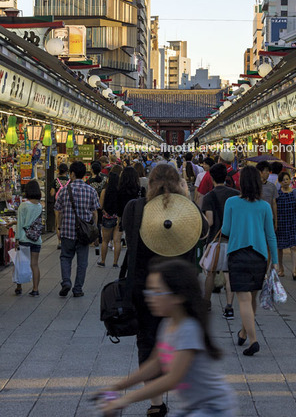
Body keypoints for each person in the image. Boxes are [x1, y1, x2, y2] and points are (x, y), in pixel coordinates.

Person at [121, 165, 209, 417]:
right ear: (180, 184)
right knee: (185, 340)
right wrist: (188, 200)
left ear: (149, 185)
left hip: (145, 287)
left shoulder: (134, 209)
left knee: (147, 341)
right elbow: (204, 233)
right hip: (180, 289)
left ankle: (156, 404)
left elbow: (129, 234)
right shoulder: (190, 213)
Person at [100, 259, 235, 417]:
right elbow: (155, 364)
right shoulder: (168, 323)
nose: (150, 297)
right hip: (193, 406)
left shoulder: (188, 329)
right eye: (149, 291)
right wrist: (117, 386)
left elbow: (172, 379)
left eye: (157, 292)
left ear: (178, 297)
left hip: (213, 407)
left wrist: (125, 400)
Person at [222, 166, 278, 356]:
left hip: (238, 255)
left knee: (243, 299)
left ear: (241, 183)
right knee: (252, 297)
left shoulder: (231, 202)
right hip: (259, 256)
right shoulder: (264, 206)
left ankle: (253, 340)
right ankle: (244, 332)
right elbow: (271, 235)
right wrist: (275, 261)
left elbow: (226, 230)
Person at [55, 161, 100, 297]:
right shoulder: (91, 190)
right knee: (82, 262)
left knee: (65, 257)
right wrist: (94, 229)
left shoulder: (64, 191)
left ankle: (66, 282)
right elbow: (95, 212)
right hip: (84, 233)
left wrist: (58, 227)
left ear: (72, 174)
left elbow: (58, 210)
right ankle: (78, 289)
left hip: (67, 231)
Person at [202, 163, 239, 316]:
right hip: (232, 239)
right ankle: (229, 307)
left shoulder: (209, 196)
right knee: (229, 273)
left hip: (214, 240)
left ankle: (207, 303)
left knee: (211, 272)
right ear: (226, 177)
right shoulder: (235, 194)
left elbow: (209, 222)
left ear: (211, 177)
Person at [276, 171, 296, 279]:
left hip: (292, 222)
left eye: (287, 179)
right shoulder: (277, 194)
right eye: (283, 180)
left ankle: (294, 271)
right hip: (280, 222)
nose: (286, 181)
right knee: (279, 247)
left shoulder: (294, 192)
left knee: (293, 246)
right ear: (280, 182)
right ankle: (281, 269)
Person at [14, 180, 43, 296]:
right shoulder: (39, 206)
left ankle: (19, 287)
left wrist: (17, 239)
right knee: (34, 264)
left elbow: (20, 223)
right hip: (36, 239)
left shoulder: (23, 205)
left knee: (21, 263)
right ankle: (35, 289)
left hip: (24, 239)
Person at [50, 163, 69, 249]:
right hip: (67, 205)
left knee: (58, 223)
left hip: (57, 204)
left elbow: (52, 193)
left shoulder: (56, 181)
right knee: (66, 222)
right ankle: (66, 239)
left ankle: (59, 242)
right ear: (67, 171)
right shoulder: (69, 181)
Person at [256, 161, 278, 230]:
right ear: (260, 172)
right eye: (266, 171)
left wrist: (276, 220)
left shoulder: (272, 186)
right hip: (257, 217)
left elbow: (274, 203)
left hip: (269, 217)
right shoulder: (254, 186)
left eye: (269, 171)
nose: (268, 173)